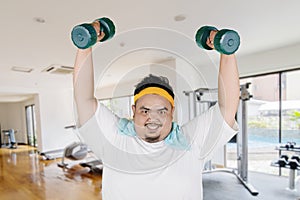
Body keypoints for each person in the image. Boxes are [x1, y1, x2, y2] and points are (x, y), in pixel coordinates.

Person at [73, 24, 239, 200]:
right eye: (145, 111)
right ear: (133, 110)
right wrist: (85, 46)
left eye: (162, 111)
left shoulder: (191, 142)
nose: (153, 118)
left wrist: (226, 52)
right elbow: (84, 99)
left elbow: (227, 108)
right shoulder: (114, 137)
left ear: (172, 112)